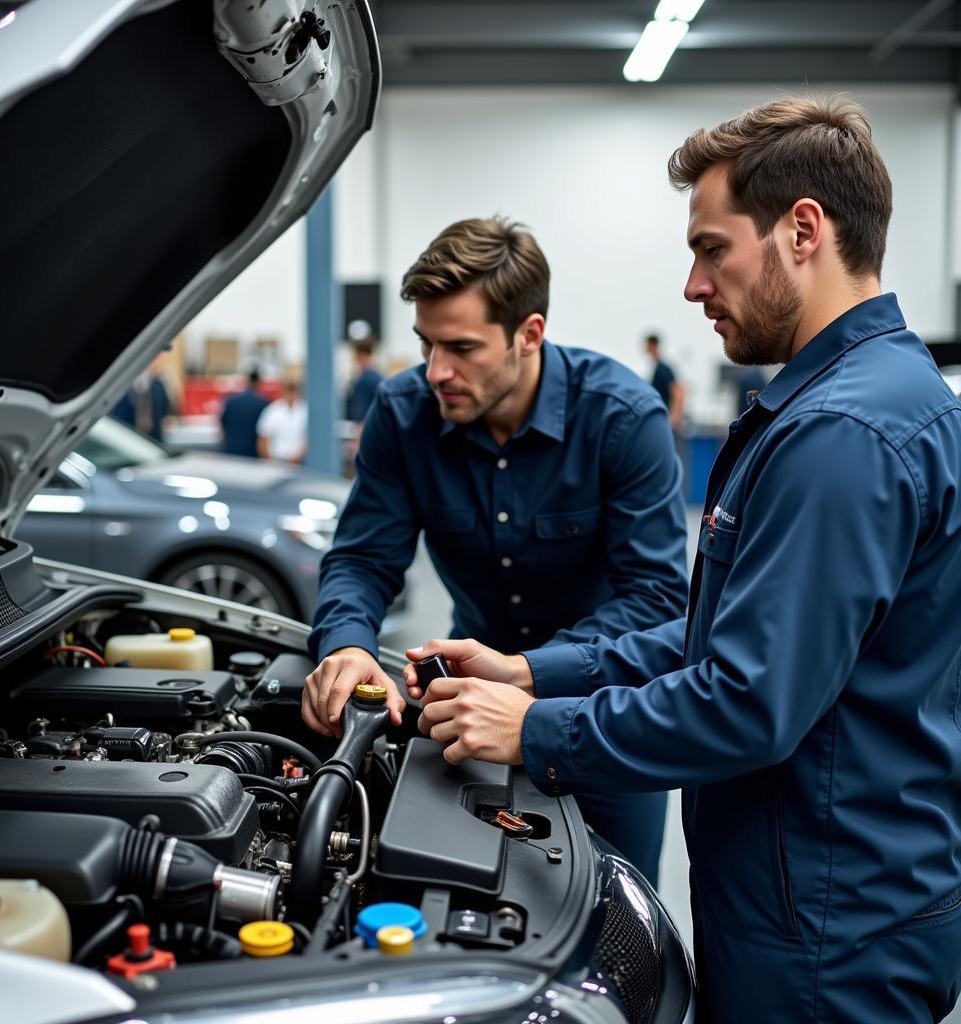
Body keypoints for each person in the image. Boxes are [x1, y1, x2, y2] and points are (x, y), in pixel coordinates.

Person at [408, 98, 961, 1022]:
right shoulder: (859, 401)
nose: (693, 285)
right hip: (829, 894)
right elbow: (718, 638)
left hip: (826, 930)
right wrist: (531, 672)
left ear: (803, 231)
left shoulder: (841, 436)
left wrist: (534, 731)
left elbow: (746, 700)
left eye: (712, 249)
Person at [302, 217, 688, 887]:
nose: (435, 372)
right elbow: (364, 558)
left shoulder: (623, 419)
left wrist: (527, 671)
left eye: (461, 347)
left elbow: (655, 599)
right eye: (425, 344)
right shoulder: (403, 412)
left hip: (602, 719)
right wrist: (346, 642)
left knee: (613, 912)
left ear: (529, 334)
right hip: (463, 714)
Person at [112, 353, 172, 442]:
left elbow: (165, 409)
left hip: (154, 439)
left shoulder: (158, 385)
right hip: (127, 437)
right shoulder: (122, 386)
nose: (160, 363)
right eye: (158, 359)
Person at [219, 369, 270, 458]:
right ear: (258, 382)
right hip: (252, 454)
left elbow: (222, 426)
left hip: (230, 451)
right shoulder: (263, 403)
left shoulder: (231, 402)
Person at [257, 378, 307, 464]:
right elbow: (263, 437)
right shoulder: (273, 410)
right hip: (276, 460)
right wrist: (269, 460)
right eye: (288, 392)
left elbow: (307, 437)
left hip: (298, 462)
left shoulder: (304, 410)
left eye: (293, 392)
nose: (291, 396)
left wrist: (297, 457)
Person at [645, 333, 686, 430]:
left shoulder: (662, 369)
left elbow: (678, 392)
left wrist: (674, 416)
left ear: (652, 345)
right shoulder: (657, 368)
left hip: (665, 418)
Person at [345, 339, 384, 425]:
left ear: (361, 356)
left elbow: (361, 411)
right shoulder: (378, 376)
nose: (354, 360)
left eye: (355, 356)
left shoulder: (364, 379)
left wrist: (358, 434)